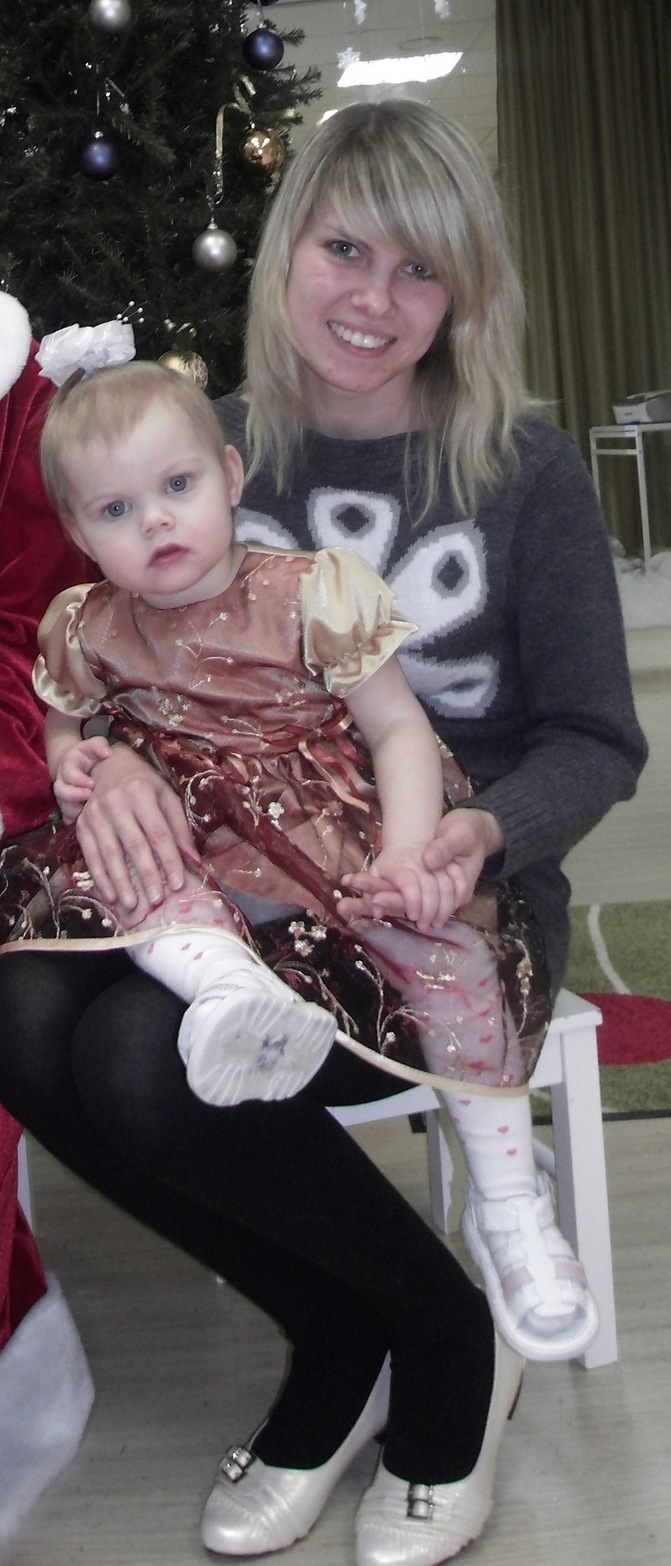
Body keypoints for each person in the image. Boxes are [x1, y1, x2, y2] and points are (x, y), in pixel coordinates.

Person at [0, 101, 646, 1566]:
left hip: (432, 894)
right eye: (345, 250)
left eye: (419, 268)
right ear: (287, 249)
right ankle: (344, 1331)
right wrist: (104, 760)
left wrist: (476, 834)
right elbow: (85, 659)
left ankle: (442, 1349)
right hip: (216, 876)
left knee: (141, 1058)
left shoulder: (526, 473)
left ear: (465, 290)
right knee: (22, 1012)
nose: (373, 297)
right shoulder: (201, 446)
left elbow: (593, 740)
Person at [5, 357, 575, 1356]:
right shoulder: (87, 624)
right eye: (116, 510)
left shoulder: (309, 590)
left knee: (442, 954)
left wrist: (409, 854)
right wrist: (77, 762)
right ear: (80, 532)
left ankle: (507, 1200)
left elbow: (396, 728)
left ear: (229, 477)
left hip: (322, 832)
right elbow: (67, 718)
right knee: (130, 876)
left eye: (177, 486)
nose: (155, 522)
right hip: (200, 847)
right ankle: (225, 988)